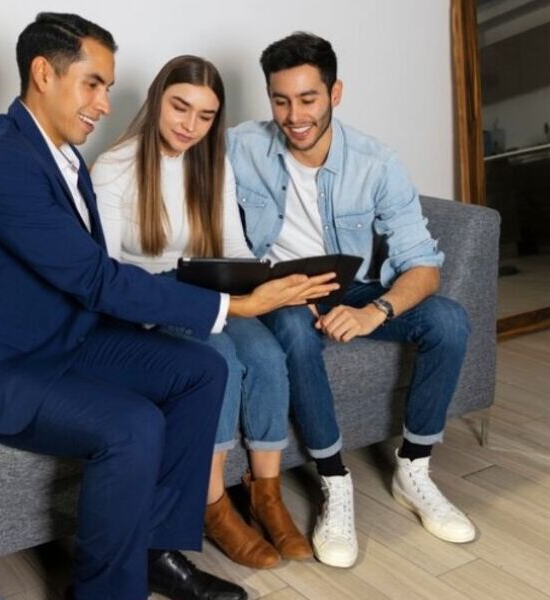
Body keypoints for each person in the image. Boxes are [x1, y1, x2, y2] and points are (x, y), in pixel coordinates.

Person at [0, 14, 335, 600]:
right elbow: (95, 278)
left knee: (202, 369)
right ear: (43, 73)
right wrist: (235, 305)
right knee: (133, 424)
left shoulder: (59, 154)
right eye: (93, 84)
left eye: (107, 88)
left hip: (61, 336)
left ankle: (155, 553)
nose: (105, 104)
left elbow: (87, 279)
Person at [225, 32, 476, 569]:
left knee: (449, 321)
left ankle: (414, 469)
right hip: (280, 290)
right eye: (281, 100)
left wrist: (372, 311)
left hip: (354, 285)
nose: (295, 116)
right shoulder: (240, 146)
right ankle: (334, 481)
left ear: (334, 93)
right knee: (293, 330)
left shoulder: (376, 162)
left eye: (308, 99)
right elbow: (173, 164)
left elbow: (424, 266)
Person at [93, 55, 314, 570]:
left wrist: (269, 281)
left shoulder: (212, 165)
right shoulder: (114, 167)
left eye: (206, 115)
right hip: (153, 300)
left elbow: (233, 249)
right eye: (180, 107)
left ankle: (265, 495)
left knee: (266, 355)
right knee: (220, 361)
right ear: (156, 99)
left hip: (209, 291)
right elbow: (106, 271)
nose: (190, 125)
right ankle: (212, 503)